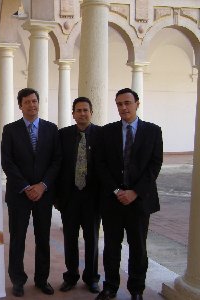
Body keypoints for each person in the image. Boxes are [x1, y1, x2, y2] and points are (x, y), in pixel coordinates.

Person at [96, 88, 163, 300]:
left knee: (138, 248)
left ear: (137, 104)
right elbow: (101, 164)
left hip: (139, 201)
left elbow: (155, 165)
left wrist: (135, 192)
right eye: (119, 104)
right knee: (111, 247)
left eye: (127, 103)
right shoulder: (107, 132)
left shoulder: (153, 131)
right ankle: (110, 287)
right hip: (113, 201)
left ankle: (136, 290)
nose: (123, 108)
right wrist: (117, 191)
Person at [1, 88, 61, 297]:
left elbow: (57, 161)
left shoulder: (51, 129)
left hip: (44, 194)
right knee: (17, 238)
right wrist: (26, 187)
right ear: (20, 106)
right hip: (19, 195)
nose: (32, 105)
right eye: (27, 102)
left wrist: (42, 185)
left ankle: (42, 279)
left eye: (35, 101)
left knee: (42, 238)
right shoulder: (10, 130)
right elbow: (7, 162)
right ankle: (18, 280)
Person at [56, 97, 101, 294]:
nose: (82, 114)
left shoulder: (102, 135)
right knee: (70, 239)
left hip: (93, 199)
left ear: (91, 112)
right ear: (73, 114)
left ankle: (91, 278)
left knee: (92, 239)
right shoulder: (63, 135)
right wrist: (59, 200)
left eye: (85, 110)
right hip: (70, 198)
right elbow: (57, 166)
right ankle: (71, 276)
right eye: (78, 110)